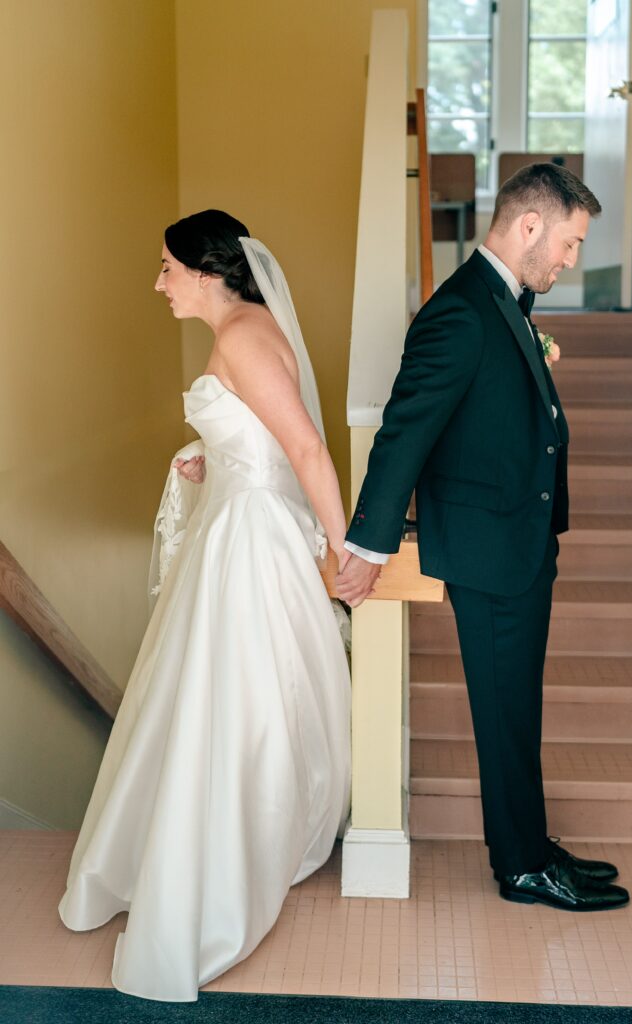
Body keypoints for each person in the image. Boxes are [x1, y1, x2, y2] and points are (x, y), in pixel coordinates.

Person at [59, 210, 351, 1000]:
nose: (158, 284)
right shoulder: (246, 329)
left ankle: (217, 869)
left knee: (231, 699)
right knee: (225, 696)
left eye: (167, 268)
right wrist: (207, 457)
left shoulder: (244, 336)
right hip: (238, 521)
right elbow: (261, 440)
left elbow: (304, 448)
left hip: (247, 544)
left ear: (207, 270)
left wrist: (344, 551)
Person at [337, 163, 630, 912]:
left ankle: (528, 844)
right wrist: (368, 547)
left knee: (516, 710)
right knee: (504, 714)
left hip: (518, 539)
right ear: (529, 225)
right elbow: (404, 431)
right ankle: (522, 867)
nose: (570, 260)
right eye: (568, 243)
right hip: (488, 548)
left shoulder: (502, 299)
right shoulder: (460, 311)